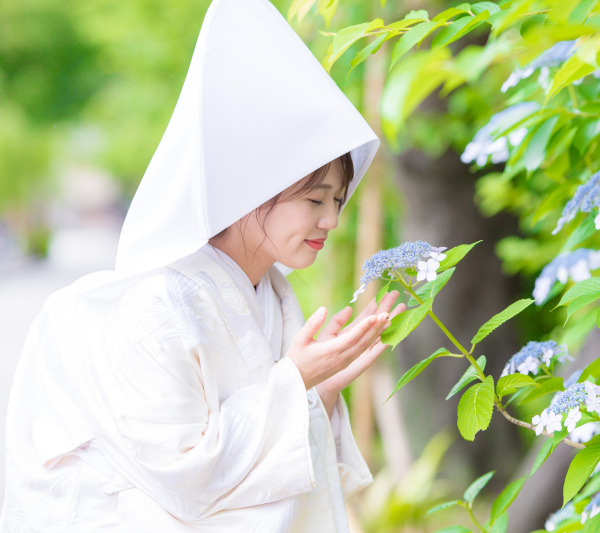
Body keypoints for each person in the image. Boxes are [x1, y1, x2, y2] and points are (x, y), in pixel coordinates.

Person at [0, 0, 403, 530]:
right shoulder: (159, 304)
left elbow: (268, 452)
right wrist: (296, 382)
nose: (331, 220)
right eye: (315, 199)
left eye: (338, 201)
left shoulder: (272, 294)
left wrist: (318, 393)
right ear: (252, 187)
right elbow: (182, 475)